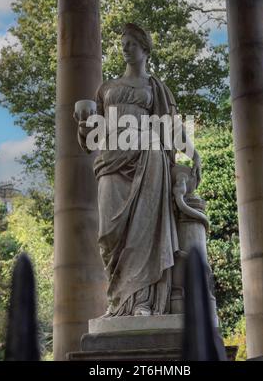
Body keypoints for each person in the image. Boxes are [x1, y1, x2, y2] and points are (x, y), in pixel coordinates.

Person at [77, 23, 201, 317]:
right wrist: (82, 126)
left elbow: (171, 126)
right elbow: (91, 136)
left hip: (149, 160)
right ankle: (119, 301)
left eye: (130, 43)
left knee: (145, 234)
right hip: (111, 163)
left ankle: (142, 301)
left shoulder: (155, 88)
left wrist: (192, 153)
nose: (124, 48)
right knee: (109, 234)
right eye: (122, 44)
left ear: (145, 49)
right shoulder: (106, 89)